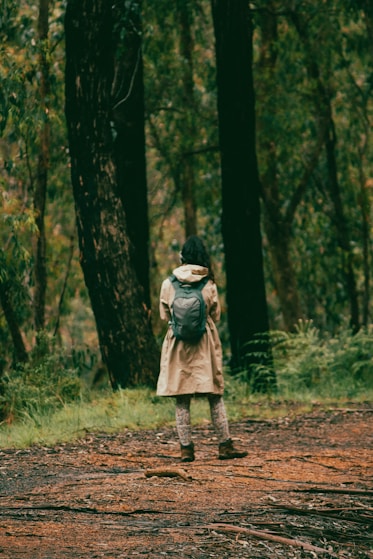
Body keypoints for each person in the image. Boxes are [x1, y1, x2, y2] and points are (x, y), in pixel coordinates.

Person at [156, 235, 248, 462]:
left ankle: (186, 449)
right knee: (214, 395)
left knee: (182, 398)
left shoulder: (168, 284)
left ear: (182, 257)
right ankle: (225, 445)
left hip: (177, 344)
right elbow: (215, 315)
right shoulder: (209, 283)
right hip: (204, 344)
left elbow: (163, 315)